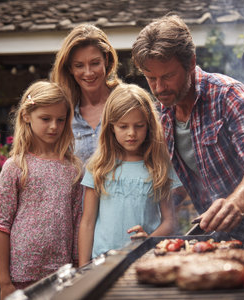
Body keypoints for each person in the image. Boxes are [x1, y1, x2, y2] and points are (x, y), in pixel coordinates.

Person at [131, 15, 244, 233]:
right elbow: (189, 178)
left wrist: (237, 201)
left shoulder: (229, 95)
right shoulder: (163, 113)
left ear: (191, 62)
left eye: (168, 76)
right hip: (217, 233)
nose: (159, 87)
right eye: (151, 78)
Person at [0, 81, 83, 299]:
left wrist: (77, 263)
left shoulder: (74, 168)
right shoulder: (15, 166)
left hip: (61, 273)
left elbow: (78, 220)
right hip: (21, 274)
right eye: (46, 119)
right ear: (26, 116)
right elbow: (1, 225)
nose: (54, 126)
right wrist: (4, 282)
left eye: (60, 120)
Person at [78, 83, 182, 266]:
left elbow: (170, 221)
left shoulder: (159, 166)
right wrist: (82, 267)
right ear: (111, 127)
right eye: (123, 126)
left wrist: (148, 239)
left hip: (144, 260)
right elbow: (87, 222)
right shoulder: (98, 167)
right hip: (102, 262)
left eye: (139, 126)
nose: (131, 133)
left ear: (149, 126)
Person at [51, 24, 120, 164]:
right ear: (70, 67)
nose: (88, 73)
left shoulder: (128, 102)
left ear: (106, 60)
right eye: (79, 65)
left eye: (95, 63)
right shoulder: (61, 113)